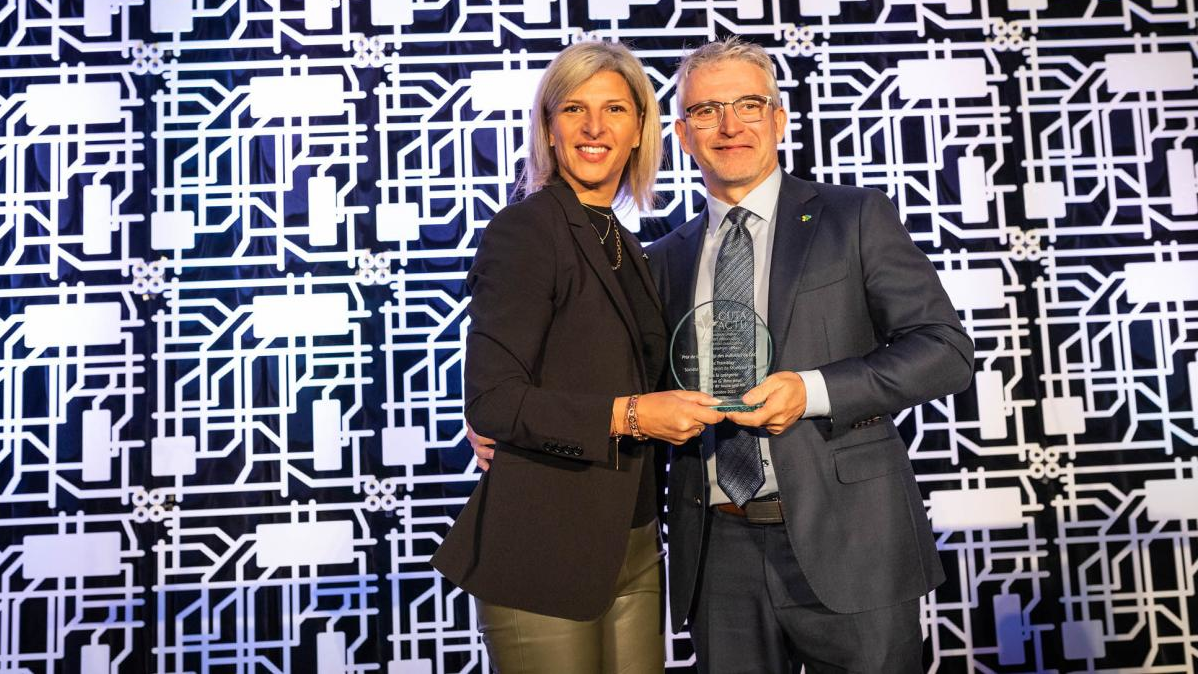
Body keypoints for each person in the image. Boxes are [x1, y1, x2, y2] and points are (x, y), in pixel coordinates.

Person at [647, 37, 976, 672]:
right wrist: (523, 414)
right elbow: (631, 380)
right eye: (707, 111)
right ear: (683, 136)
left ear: (779, 118)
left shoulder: (854, 217)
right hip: (719, 552)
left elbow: (944, 350)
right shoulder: (663, 258)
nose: (730, 125)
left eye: (749, 104)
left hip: (854, 541)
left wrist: (814, 389)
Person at [431, 40, 725, 673]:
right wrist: (631, 417)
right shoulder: (527, 230)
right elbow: (493, 399)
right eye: (574, 109)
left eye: (615, 109)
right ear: (548, 127)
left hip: (635, 536)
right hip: (544, 544)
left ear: (640, 127)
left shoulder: (625, 241)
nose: (595, 128)